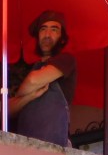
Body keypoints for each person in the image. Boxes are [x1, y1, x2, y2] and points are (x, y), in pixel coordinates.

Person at [9, 10, 76, 147]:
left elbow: (33, 81)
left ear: (62, 38)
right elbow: (8, 109)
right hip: (26, 148)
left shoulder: (66, 60)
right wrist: (30, 96)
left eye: (54, 30)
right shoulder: (30, 69)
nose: (47, 34)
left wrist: (21, 95)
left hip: (55, 147)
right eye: (43, 29)